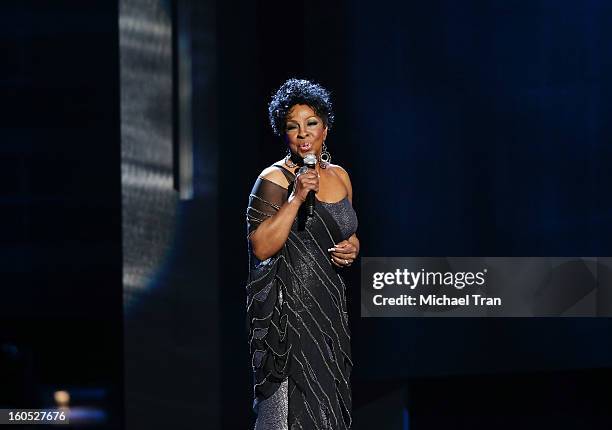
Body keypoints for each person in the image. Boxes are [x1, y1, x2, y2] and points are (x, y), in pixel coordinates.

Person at [246, 78, 359, 429]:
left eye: (311, 123)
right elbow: (261, 245)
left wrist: (353, 246)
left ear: (325, 127)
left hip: (329, 310)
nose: (303, 134)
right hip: (290, 315)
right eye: (293, 127)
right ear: (284, 133)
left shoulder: (340, 176)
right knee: (293, 412)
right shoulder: (274, 179)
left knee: (327, 407)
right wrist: (296, 198)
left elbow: (346, 231)